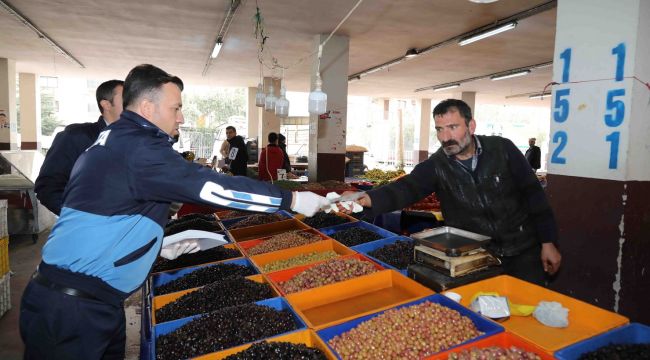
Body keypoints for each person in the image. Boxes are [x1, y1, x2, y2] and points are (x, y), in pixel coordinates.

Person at [19, 64, 329, 359]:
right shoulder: (138, 148)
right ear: (147, 108)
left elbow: (108, 212)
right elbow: (210, 186)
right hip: (72, 309)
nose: (181, 117)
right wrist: (290, 201)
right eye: (175, 108)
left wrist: (152, 247)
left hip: (93, 301)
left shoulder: (115, 140)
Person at [341, 99, 561, 286]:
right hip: (476, 256)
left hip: (524, 250)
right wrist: (366, 198)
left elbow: (534, 196)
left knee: (528, 313)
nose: (446, 137)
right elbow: (407, 187)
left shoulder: (502, 150)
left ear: (471, 125)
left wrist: (548, 242)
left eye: (453, 127)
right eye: (439, 129)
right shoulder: (437, 165)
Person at [34, 79, 124, 215]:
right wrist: (80, 218)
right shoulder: (76, 137)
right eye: (126, 99)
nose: (132, 105)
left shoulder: (137, 141)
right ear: (106, 104)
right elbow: (48, 188)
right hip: (91, 229)